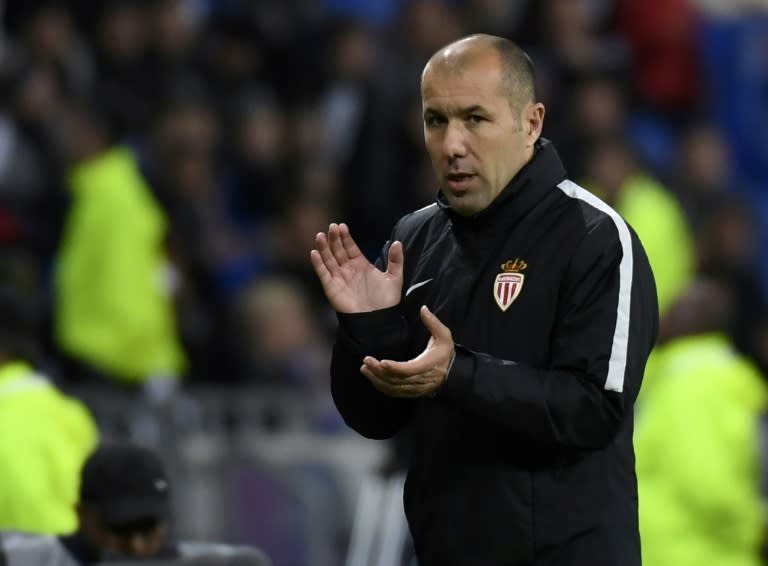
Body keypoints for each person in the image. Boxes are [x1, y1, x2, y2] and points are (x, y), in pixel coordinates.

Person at [310, 34, 658, 565]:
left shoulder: (594, 237)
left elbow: (595, 408)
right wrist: (369, 329)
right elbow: (378, 421)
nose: (452, 144)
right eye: (436, 121)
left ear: (531, 123)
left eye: (475, 119)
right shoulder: (416, 239)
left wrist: (459, 375)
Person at [635, 278, 768, 566]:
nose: (670, 313)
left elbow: (711, 486)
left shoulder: (697, 380)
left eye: (687, 307)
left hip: (698, 556)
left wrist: (754, 528)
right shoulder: (679, 376)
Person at [0, 442, 175, 564]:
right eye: (120, 528)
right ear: (81, 514)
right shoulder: (16, 558)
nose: (135, 545)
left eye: (147, 528)